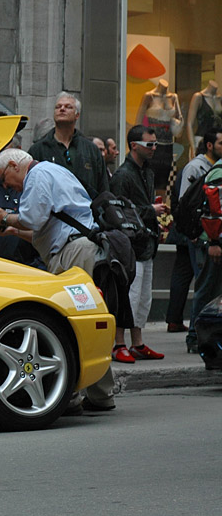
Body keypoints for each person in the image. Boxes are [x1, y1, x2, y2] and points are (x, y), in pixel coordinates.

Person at [0, 149, 117, 412]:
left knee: (77, 323)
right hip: (75, 249)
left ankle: (83, 395)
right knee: (79, 324)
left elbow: (33, 218)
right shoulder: (53, 171)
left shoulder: (38, 175)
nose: (7, 185)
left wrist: (3, 217)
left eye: (5, 178)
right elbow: (48, 230)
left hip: (74, 254)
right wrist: (14, 230)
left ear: (13, 164)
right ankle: (96, 394)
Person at [109, 125, 167, 362]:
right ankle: (119, 343)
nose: (154, 148)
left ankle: (138, 342)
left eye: (155, 144)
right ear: (134, 146)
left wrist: (154, 220)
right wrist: (150, 210)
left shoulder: (147, 172)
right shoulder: (123, 175)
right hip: (130, 245)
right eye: (149, 144)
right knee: (128, 294)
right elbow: (119, 210)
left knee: (143, 297)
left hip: (145, 243)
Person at [165, 135, 215, 333]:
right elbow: (186, 200)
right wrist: (191, 231)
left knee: (184, 273)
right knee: (196, 277)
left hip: (190, 229)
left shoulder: (203, 166)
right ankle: (190, 326)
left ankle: (175, 319)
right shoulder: (196, 167)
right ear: (210, 145)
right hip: (191, 230)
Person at [28, 92, 109, 199]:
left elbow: (103, 188)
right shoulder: (38, 149)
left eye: (68, 107)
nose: (62, 109)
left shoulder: (91, 149)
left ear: (77, 115)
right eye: (58, 107)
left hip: (87, 212)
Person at [186, 127, 222, 353]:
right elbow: (213, 210)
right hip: (213, 241)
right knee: (207, 289)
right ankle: (194, 337)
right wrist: (215, 242)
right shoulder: (219, 172)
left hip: (215, 240)